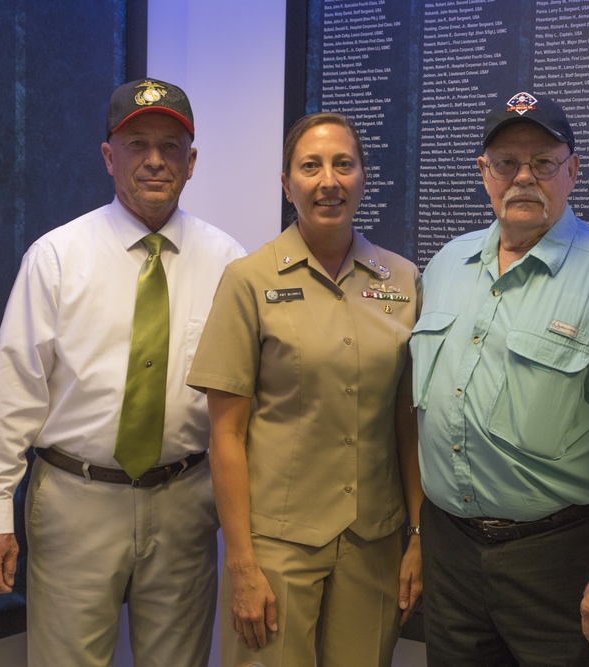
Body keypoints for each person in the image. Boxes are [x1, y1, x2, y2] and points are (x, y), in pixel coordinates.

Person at [0, 78, 245, 665]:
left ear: (192, 162)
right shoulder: (56, 258)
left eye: (171, 146)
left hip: (185, 502)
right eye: (137, 143)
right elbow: (11, 391)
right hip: (75, 500)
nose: (154, 160)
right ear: (108, 156)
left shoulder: (229, 264)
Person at [410, 91, 589, 666]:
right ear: (484, 173)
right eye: (506, 163)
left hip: (561, 563)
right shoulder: (445, 266)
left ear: (571, 171)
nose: (523, 177)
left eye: (543, 163)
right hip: (451, 555)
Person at [186, 111, 424, 666]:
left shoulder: (404, 281)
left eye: (344, 164)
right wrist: (242, 562)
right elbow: (226, 434)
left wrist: (418, 533)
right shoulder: (249, 280)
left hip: (374, 538)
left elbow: (407, 422)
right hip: (277, 544)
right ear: (286, 182)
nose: (329, 181)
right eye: (310, 166)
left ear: (364, 176)